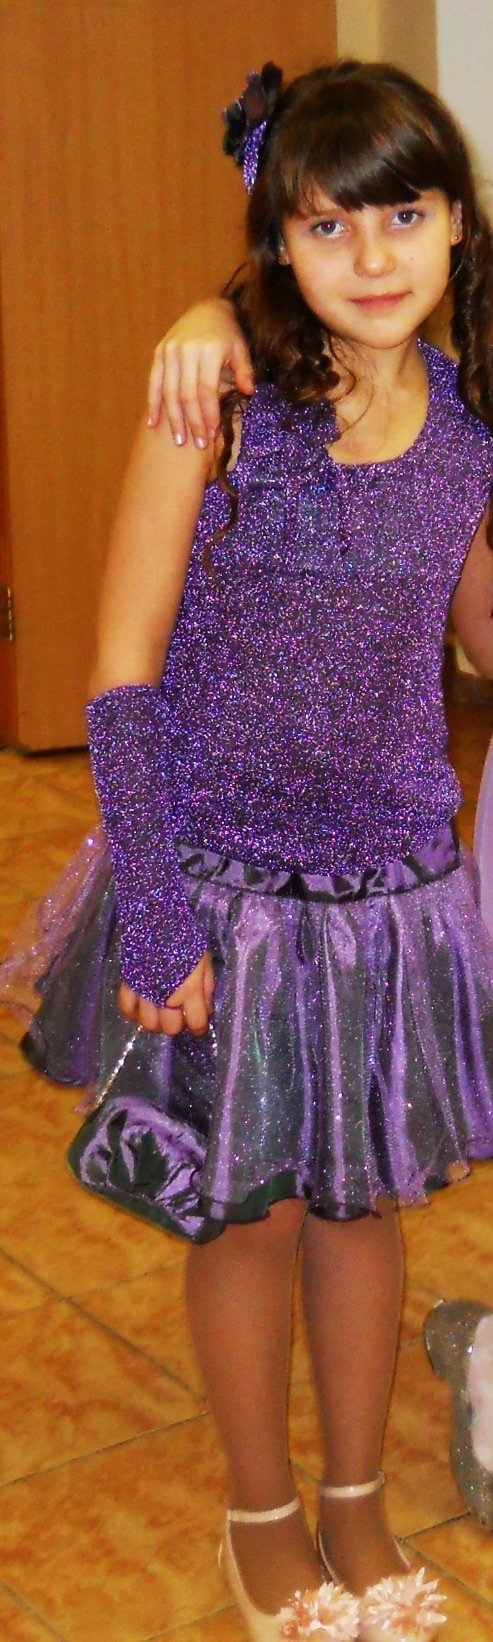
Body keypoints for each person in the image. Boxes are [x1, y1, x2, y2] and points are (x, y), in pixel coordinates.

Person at [4, 56, 493, 1641]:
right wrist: (157, 909)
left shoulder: (465, 425)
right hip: (220, 879)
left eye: (401, 215)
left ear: (456, 223)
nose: (370, 254)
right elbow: (118, 672)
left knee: (360, 1199)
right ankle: (261, 1511)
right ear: (276, 243)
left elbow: (478, 637)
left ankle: (354, 1501)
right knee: (253, 1205)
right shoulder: (215, 406)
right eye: (325, 224)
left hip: (392, 886)